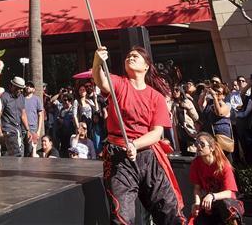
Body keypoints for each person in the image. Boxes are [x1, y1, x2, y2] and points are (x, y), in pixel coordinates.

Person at [93, 46, 183, 225]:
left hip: (148, 157)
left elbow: (157, 133)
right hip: (119, 157)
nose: (130, 57)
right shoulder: (118, 83)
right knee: (122, 216)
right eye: (128, 56)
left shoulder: (156, 97)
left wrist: (135, 144)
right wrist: (97, 62)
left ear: (146, 66)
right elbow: (101, 81)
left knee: (169, 211)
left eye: (135, 56)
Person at [189, 132, 243, 224]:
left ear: (212, 148)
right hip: (210, 204)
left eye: (202, 144)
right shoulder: (196, 163)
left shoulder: (223, 166)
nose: (198, 146)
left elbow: (229, 193)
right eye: (196, 143)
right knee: (196, 218)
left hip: (228, 203)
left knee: (225, 205)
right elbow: (197, 188)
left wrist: (212, 196)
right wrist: (197, 204)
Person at [0, 76, 28, 157]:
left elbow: (23, 114)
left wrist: (28, 130)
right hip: (8, 130)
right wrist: (0, 133)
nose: (20, 90)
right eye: (18, 88)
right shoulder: (4, 97)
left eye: (22, 88)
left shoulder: (21, 97)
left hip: (18, 130)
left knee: (20, 153)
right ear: (12, 86)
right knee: (16, 154)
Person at [22, 81, 45, 157]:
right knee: (21, 150)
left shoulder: (37, 99)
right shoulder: (21, 99)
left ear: (34, 89)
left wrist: (38, 131)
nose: (28, 87)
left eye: (31, 86)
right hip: (21, 128)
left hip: (32, 128)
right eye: (27, 85)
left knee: (31, 151)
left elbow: (40, 115)